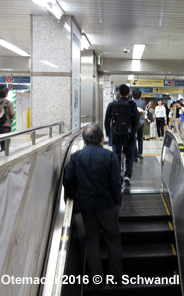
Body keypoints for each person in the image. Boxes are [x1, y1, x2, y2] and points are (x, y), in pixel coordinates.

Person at [63, 123, 122, 281]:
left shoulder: (76, 157)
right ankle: (115, 279)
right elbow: (116, 183)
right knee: (113, 241)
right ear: (102, 139)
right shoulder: (110, 156)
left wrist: (75, 197)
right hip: (108, 206)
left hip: (87, 207)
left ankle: (97, 280)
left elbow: (68, 179)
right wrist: (118, 202)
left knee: (92, 241)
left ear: (85, 140)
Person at [104, 84, 137, 185]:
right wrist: (133, 132)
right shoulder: (132, 104)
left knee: (116, 155)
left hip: (115, 133)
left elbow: (106, 121)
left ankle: (118, 176)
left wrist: (108, 133)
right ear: (128, 93)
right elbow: (135, 121)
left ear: (119, 93)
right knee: (130, 155)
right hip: (128, 134)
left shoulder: (112, 104)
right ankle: (127, 175)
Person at [132, 89, 146, 161]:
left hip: (133, 122)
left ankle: (135, 155)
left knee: (133, 138)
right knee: (140, 138)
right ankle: (140, 153)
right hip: (141, 122)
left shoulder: (131, 102)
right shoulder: (143, 102)